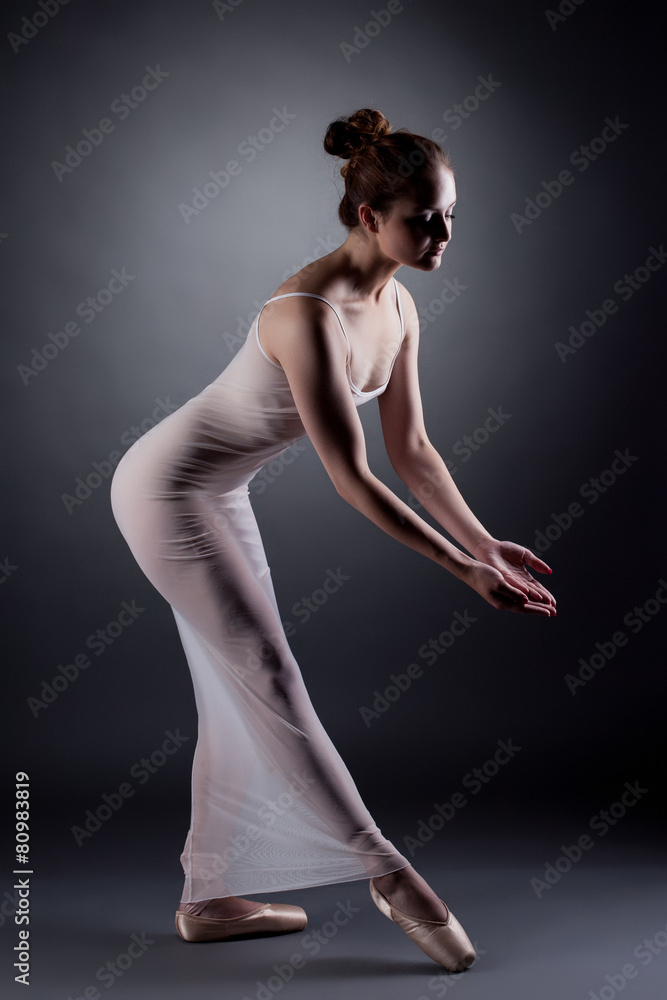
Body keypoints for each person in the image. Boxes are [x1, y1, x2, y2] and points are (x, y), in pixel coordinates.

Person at [109, 107, 556, 972]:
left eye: (450, 215)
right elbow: (351, 477)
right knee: (268, 673)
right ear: (367, 219)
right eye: (423, 219)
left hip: (221, 492)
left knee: (237, 688)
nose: (442, 235)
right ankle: (386, 872)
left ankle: (206, 898)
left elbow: (412, 452)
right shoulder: (303, 314)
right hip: (163, 491)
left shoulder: (398, 309)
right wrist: (461, 571)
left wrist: (486, 542)